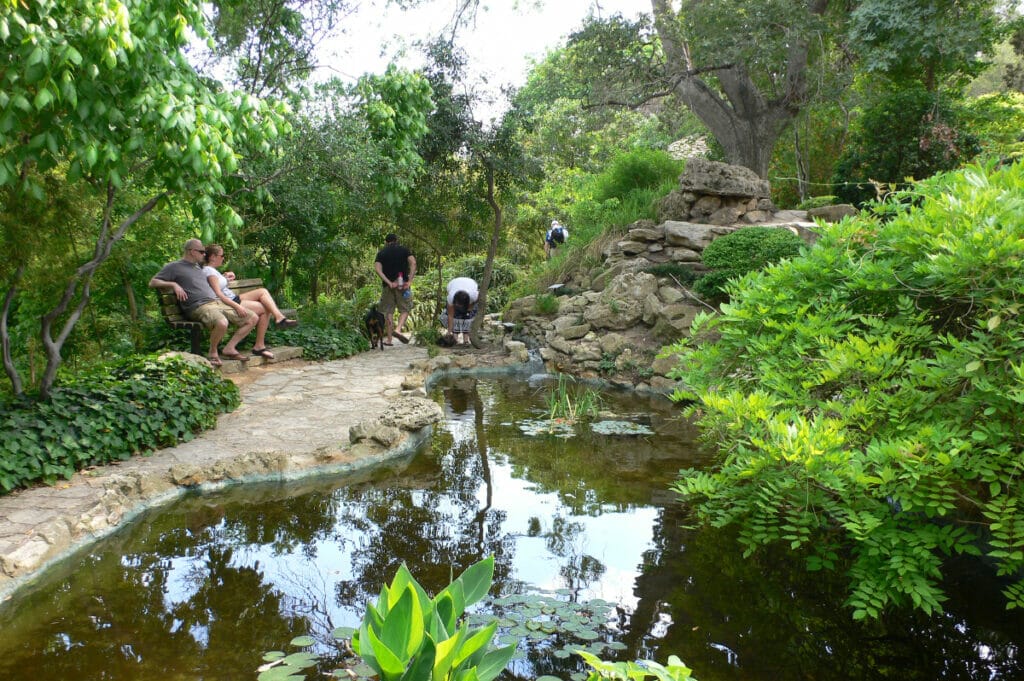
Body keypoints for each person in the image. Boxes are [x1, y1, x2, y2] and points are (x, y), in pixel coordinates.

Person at [149, 238, 257, 366]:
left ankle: (229, 348)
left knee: (252, 318)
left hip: (216, 303)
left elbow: (212, 276)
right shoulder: (174, 267)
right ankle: (213, 352)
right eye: (201, 252)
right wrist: (173, 284)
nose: (204, 254)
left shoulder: (198, 267)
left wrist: (225, 276)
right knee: (222, 322)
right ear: (192, 251)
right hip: (198, 306)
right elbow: (153, 282)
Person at [202, 244, 298, 360]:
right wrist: (236, 306)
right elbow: (218, 293)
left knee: (263, 292)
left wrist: (226, 277)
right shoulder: (208, 271)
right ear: (212, 257)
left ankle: (277, 321)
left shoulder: (212, 271)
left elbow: (218, 284)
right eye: (222, 256)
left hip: (233, 298)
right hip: (229, 302)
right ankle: (258, 344)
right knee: (265, 307)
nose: (223, 258)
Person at [373, 233, 416, 345]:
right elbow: (413, 263)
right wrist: (410, 280)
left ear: (386, 242)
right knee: (405, 308)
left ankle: (389, 339)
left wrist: (389, 282)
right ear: (396, 240)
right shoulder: (404, 250)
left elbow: (377, 269)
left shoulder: (381, 253)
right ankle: (398, 329)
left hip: (388, 286)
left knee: (388, 311)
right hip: (403, 284)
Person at [439, 276, 479, 345]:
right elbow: (450, 316)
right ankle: (455, 340)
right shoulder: (451, 298)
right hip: (453, 283)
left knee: (468, 318)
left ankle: (466, 340)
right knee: (456, 317)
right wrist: (449, 332)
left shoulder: (474, 295)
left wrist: (469, 309)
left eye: (460, 305)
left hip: (470, 283)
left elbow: (477, 300)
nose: (459, 307)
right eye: (457, 305)